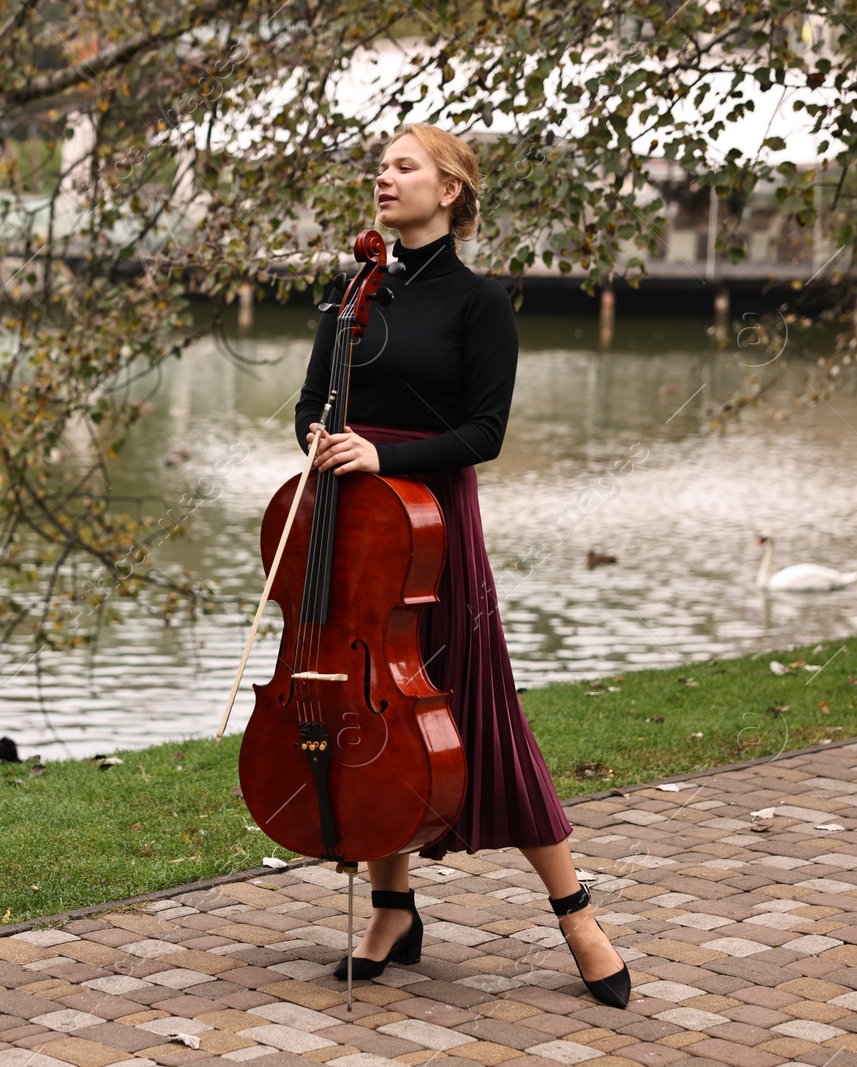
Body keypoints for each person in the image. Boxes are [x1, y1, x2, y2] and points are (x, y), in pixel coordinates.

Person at [293, 122, 630, 1009]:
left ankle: (578, 913)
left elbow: (485, 433)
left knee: (479, 718)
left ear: (449, 191)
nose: (384, 175)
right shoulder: (352, 289)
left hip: (431, 524)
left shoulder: (480, 303)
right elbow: (306, 410)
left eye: (404, 165)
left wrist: (381, 458)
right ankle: (393, 908)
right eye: (381, 164)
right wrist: (325, 441)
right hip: (356, 532)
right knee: (375, 716)